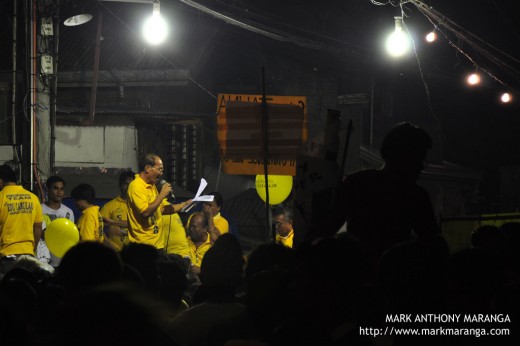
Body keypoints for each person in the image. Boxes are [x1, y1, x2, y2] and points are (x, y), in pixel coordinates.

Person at [315, 122, 440, 264]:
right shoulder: (416, 196)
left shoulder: (358, 183)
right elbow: (432, 242)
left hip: (355, 272)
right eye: (419, 159)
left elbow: (329, 227)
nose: (421, 167)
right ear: (403, 156)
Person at [126, 153, 190, 251]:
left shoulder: (152, 186)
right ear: (147, 168)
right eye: (159, 169)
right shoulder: (136, 186)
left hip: (158, 245)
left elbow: (161, 209)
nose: (161, 173)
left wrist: (184, 205)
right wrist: (161, 195)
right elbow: (145, 212)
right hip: (143, 248)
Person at [0, 165, 43, 275]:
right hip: (28, 256)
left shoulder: (1, 197)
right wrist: (32, 248)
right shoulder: (33, 197)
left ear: (0, 181)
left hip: (6, 256)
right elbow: (38, 227)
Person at [39, 175, 75, 266]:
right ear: (47, 189)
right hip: (42, 261)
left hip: (62, 262)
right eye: (56, 188)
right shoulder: (39, 209)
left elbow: (70, 237)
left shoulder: (68, 212)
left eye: (61, 189)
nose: (59, 192)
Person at [101, 171, 135, 251]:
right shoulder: (109, 206)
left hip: (137, 252)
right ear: (120, 186)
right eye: (126, 184)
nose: (129, 187)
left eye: (132, 184)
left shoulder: (142, 206)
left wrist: (113, 222)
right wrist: (109, 244)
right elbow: (98, 228)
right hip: (116, 253)